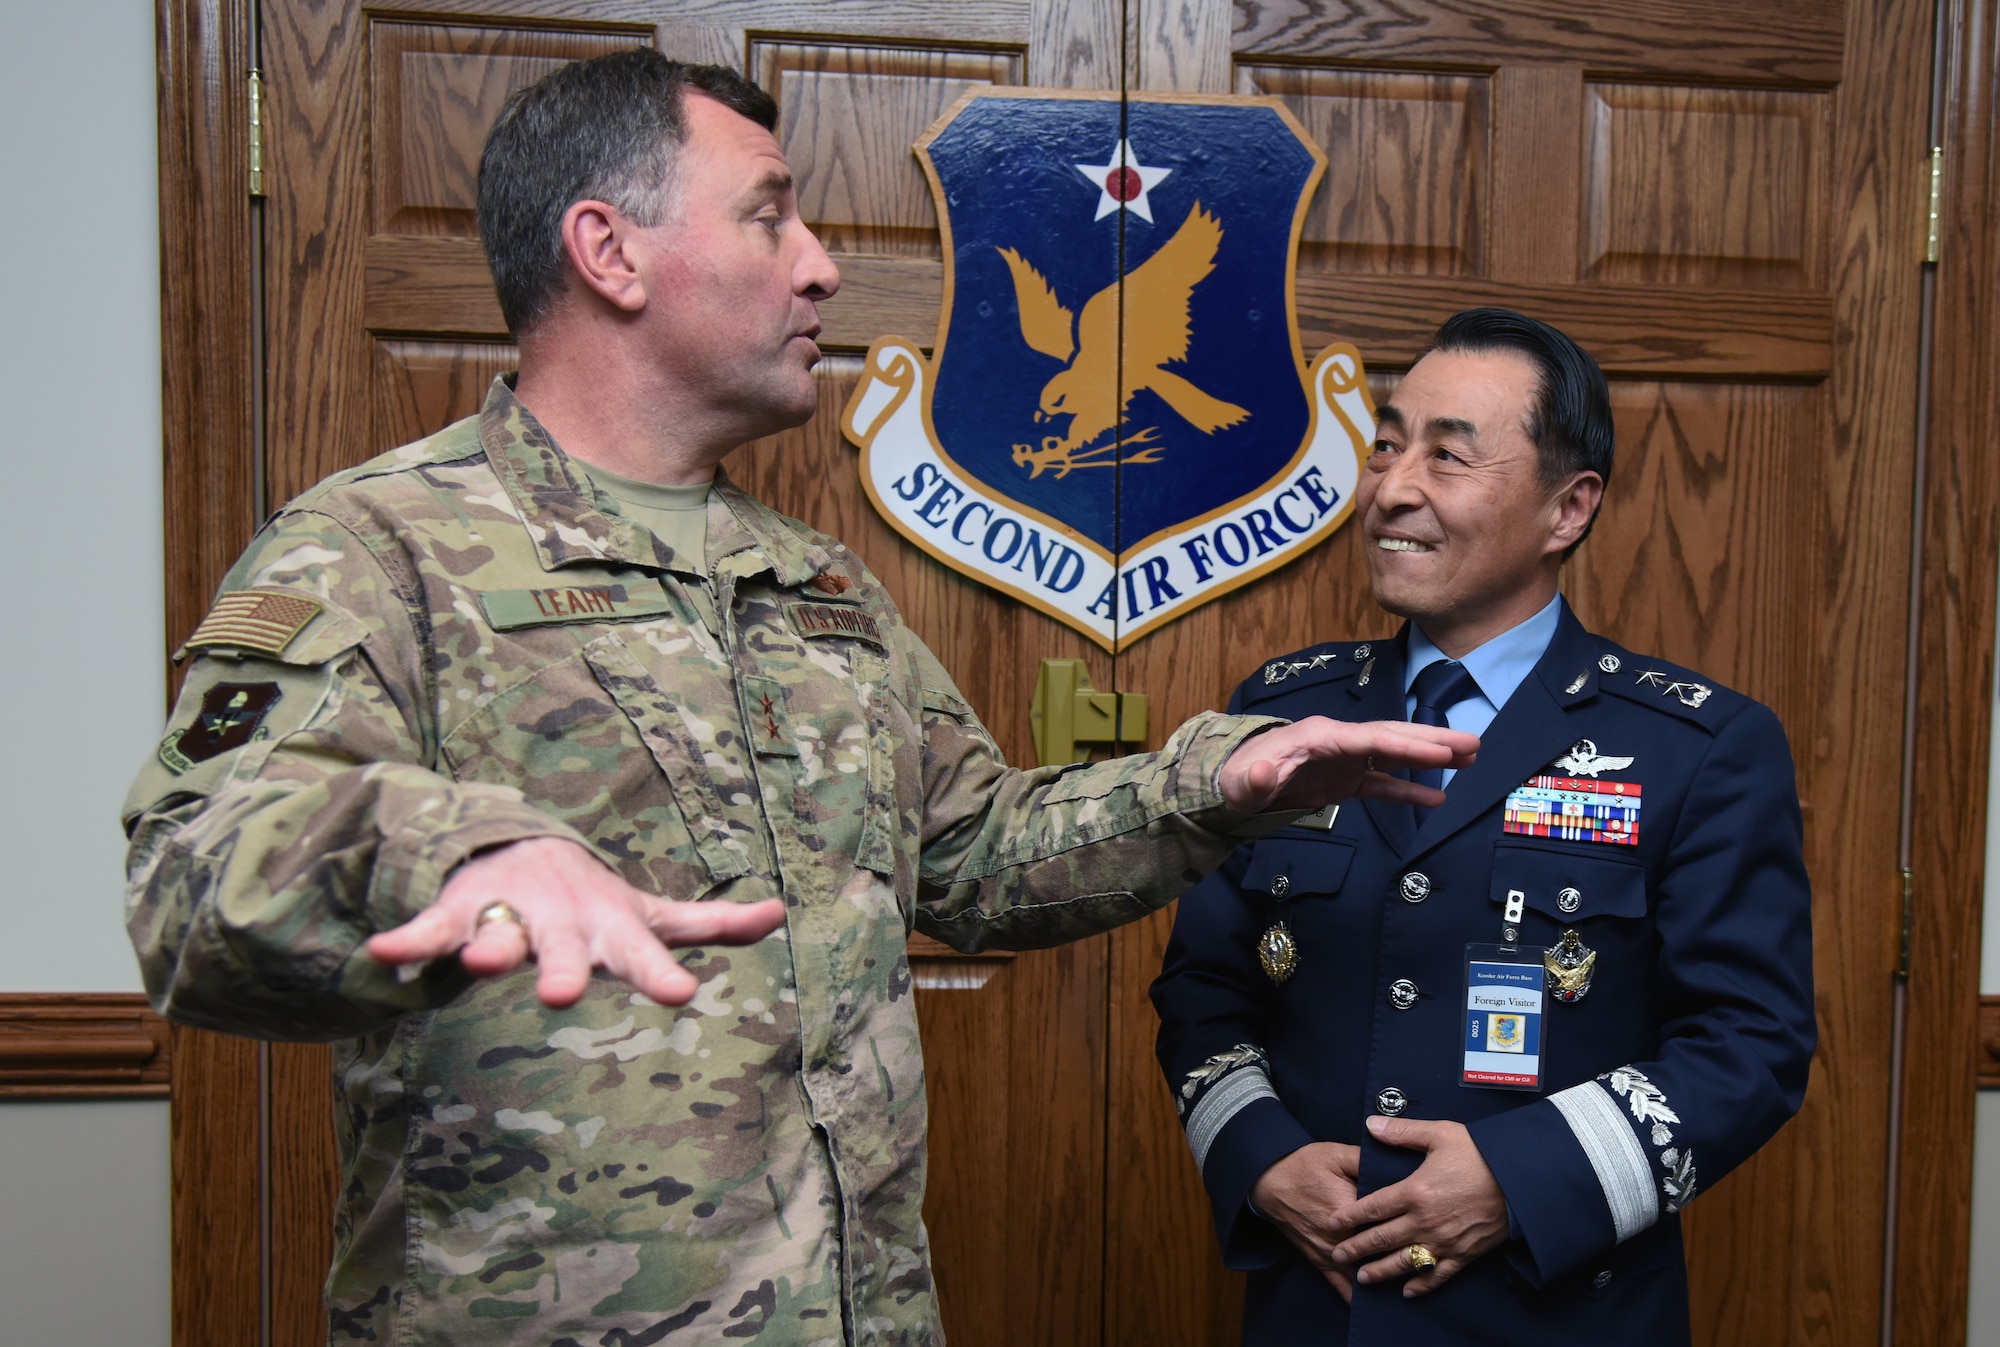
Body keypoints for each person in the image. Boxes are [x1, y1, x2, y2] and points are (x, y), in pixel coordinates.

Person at [121, 51, 1474, 1346]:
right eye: (770, 215)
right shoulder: (378, 547)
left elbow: (974, 855)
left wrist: (1215, 787)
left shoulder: (812, 579)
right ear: (610, 251)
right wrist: (464, 846)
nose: (823, 262)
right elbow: (195, 878)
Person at [1151, 308, 1815, 1345]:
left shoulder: (1696, 745)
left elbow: (1751, 1045)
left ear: (1567, 509)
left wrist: (1517, 1179)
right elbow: (1202, 986)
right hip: (1311, 1310)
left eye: (1446, 455)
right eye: (1384, 446)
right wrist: (1259, 1155)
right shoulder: (1287, 713)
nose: (1391, 489)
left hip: (1555, 1312)